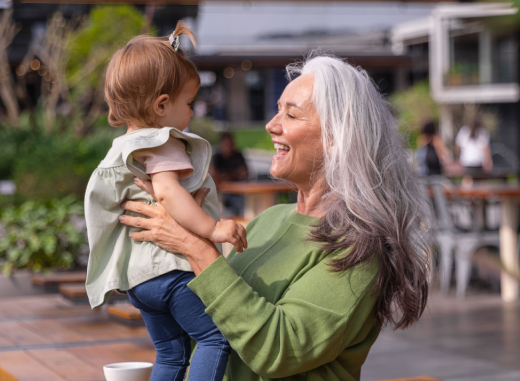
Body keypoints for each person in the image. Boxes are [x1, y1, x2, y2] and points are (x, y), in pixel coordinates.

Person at [120, 54, 431, 381]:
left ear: (337, 137)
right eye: (277, 108)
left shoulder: (359, 249)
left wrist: (194, 247)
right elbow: (219, 322)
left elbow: (278, 349)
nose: (271, 124)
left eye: (291, 114)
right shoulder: (271, 219)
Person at [84, 22, 247, 381]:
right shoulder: (161, 141)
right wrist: (214, 227)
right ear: (161, 105)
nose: (191, 112)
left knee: (171, 354)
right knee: (215, 339)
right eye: (188, 103)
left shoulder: (120, 149)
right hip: (171, 271)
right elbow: (168, 191)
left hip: (140, 282)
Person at [210, 132, 249, 215]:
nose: (229, 146)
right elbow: (213, 176)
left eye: (231, 143)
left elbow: (245, 173)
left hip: (238, 191)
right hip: (221, 193)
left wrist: (227, 175)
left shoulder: (238, 155)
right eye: (226, 143)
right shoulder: (217, 157)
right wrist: (234, 174)